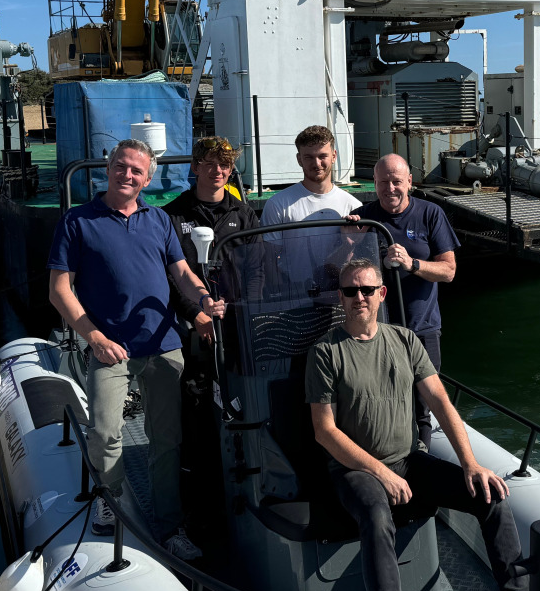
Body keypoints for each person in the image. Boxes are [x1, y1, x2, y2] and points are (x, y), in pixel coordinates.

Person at [306, 258, 522, 591]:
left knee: (491, 497)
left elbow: (439, 401)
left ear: (381, 294)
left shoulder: (405, 341)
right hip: (354, 470)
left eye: (367, 290)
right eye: (350, 291)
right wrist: (380, 473)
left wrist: (470, 464)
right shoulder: (326, 352)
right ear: (340, 299)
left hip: (409, 461)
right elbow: (324, 431)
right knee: (377, 514)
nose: (359, 297)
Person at [48, 138, 225, 559]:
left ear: (147, 178)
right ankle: (109, 503)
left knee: (167, 440)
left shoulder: (159, 220)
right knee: (106, 432)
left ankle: (170, 527)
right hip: (109, 348)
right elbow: (59, 291)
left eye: (136, 171)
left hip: (163, 345)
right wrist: (95, 338)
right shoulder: (77, 221)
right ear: (108, 169)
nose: (127, 175)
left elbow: (181, 273)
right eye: (120, 167)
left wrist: (203, 300)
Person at [354, 153, 460, 447]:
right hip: (377, 333)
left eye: (397, 182)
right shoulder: (363, 217)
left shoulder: (430, 213)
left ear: (410, 182)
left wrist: (412, 263)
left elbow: (449, 271)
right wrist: (348, 240)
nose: (390, 189)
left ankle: (422, 456)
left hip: (422, 328)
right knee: (379, 401)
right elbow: (338, 273)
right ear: (373, 183)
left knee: (423, 405)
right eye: (383, 182)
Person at [166, 136, 258, 345]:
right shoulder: (172, 215)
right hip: (189, 321)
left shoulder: (244, 215)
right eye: (209, 164)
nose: (218, 171)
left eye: (224, 165)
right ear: (195, 167)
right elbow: (168, 275)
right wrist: (196, 314)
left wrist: (244, 310)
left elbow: (257, 269)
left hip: (236, 316)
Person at [261, 125, 361, 289]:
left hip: (340, 295)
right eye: (309, 157)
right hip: (294, 295)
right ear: (299, 159)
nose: (317, 163)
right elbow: (269, 261)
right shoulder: (278, 204)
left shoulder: (353, 206)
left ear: (334, 156)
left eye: (323, 156)